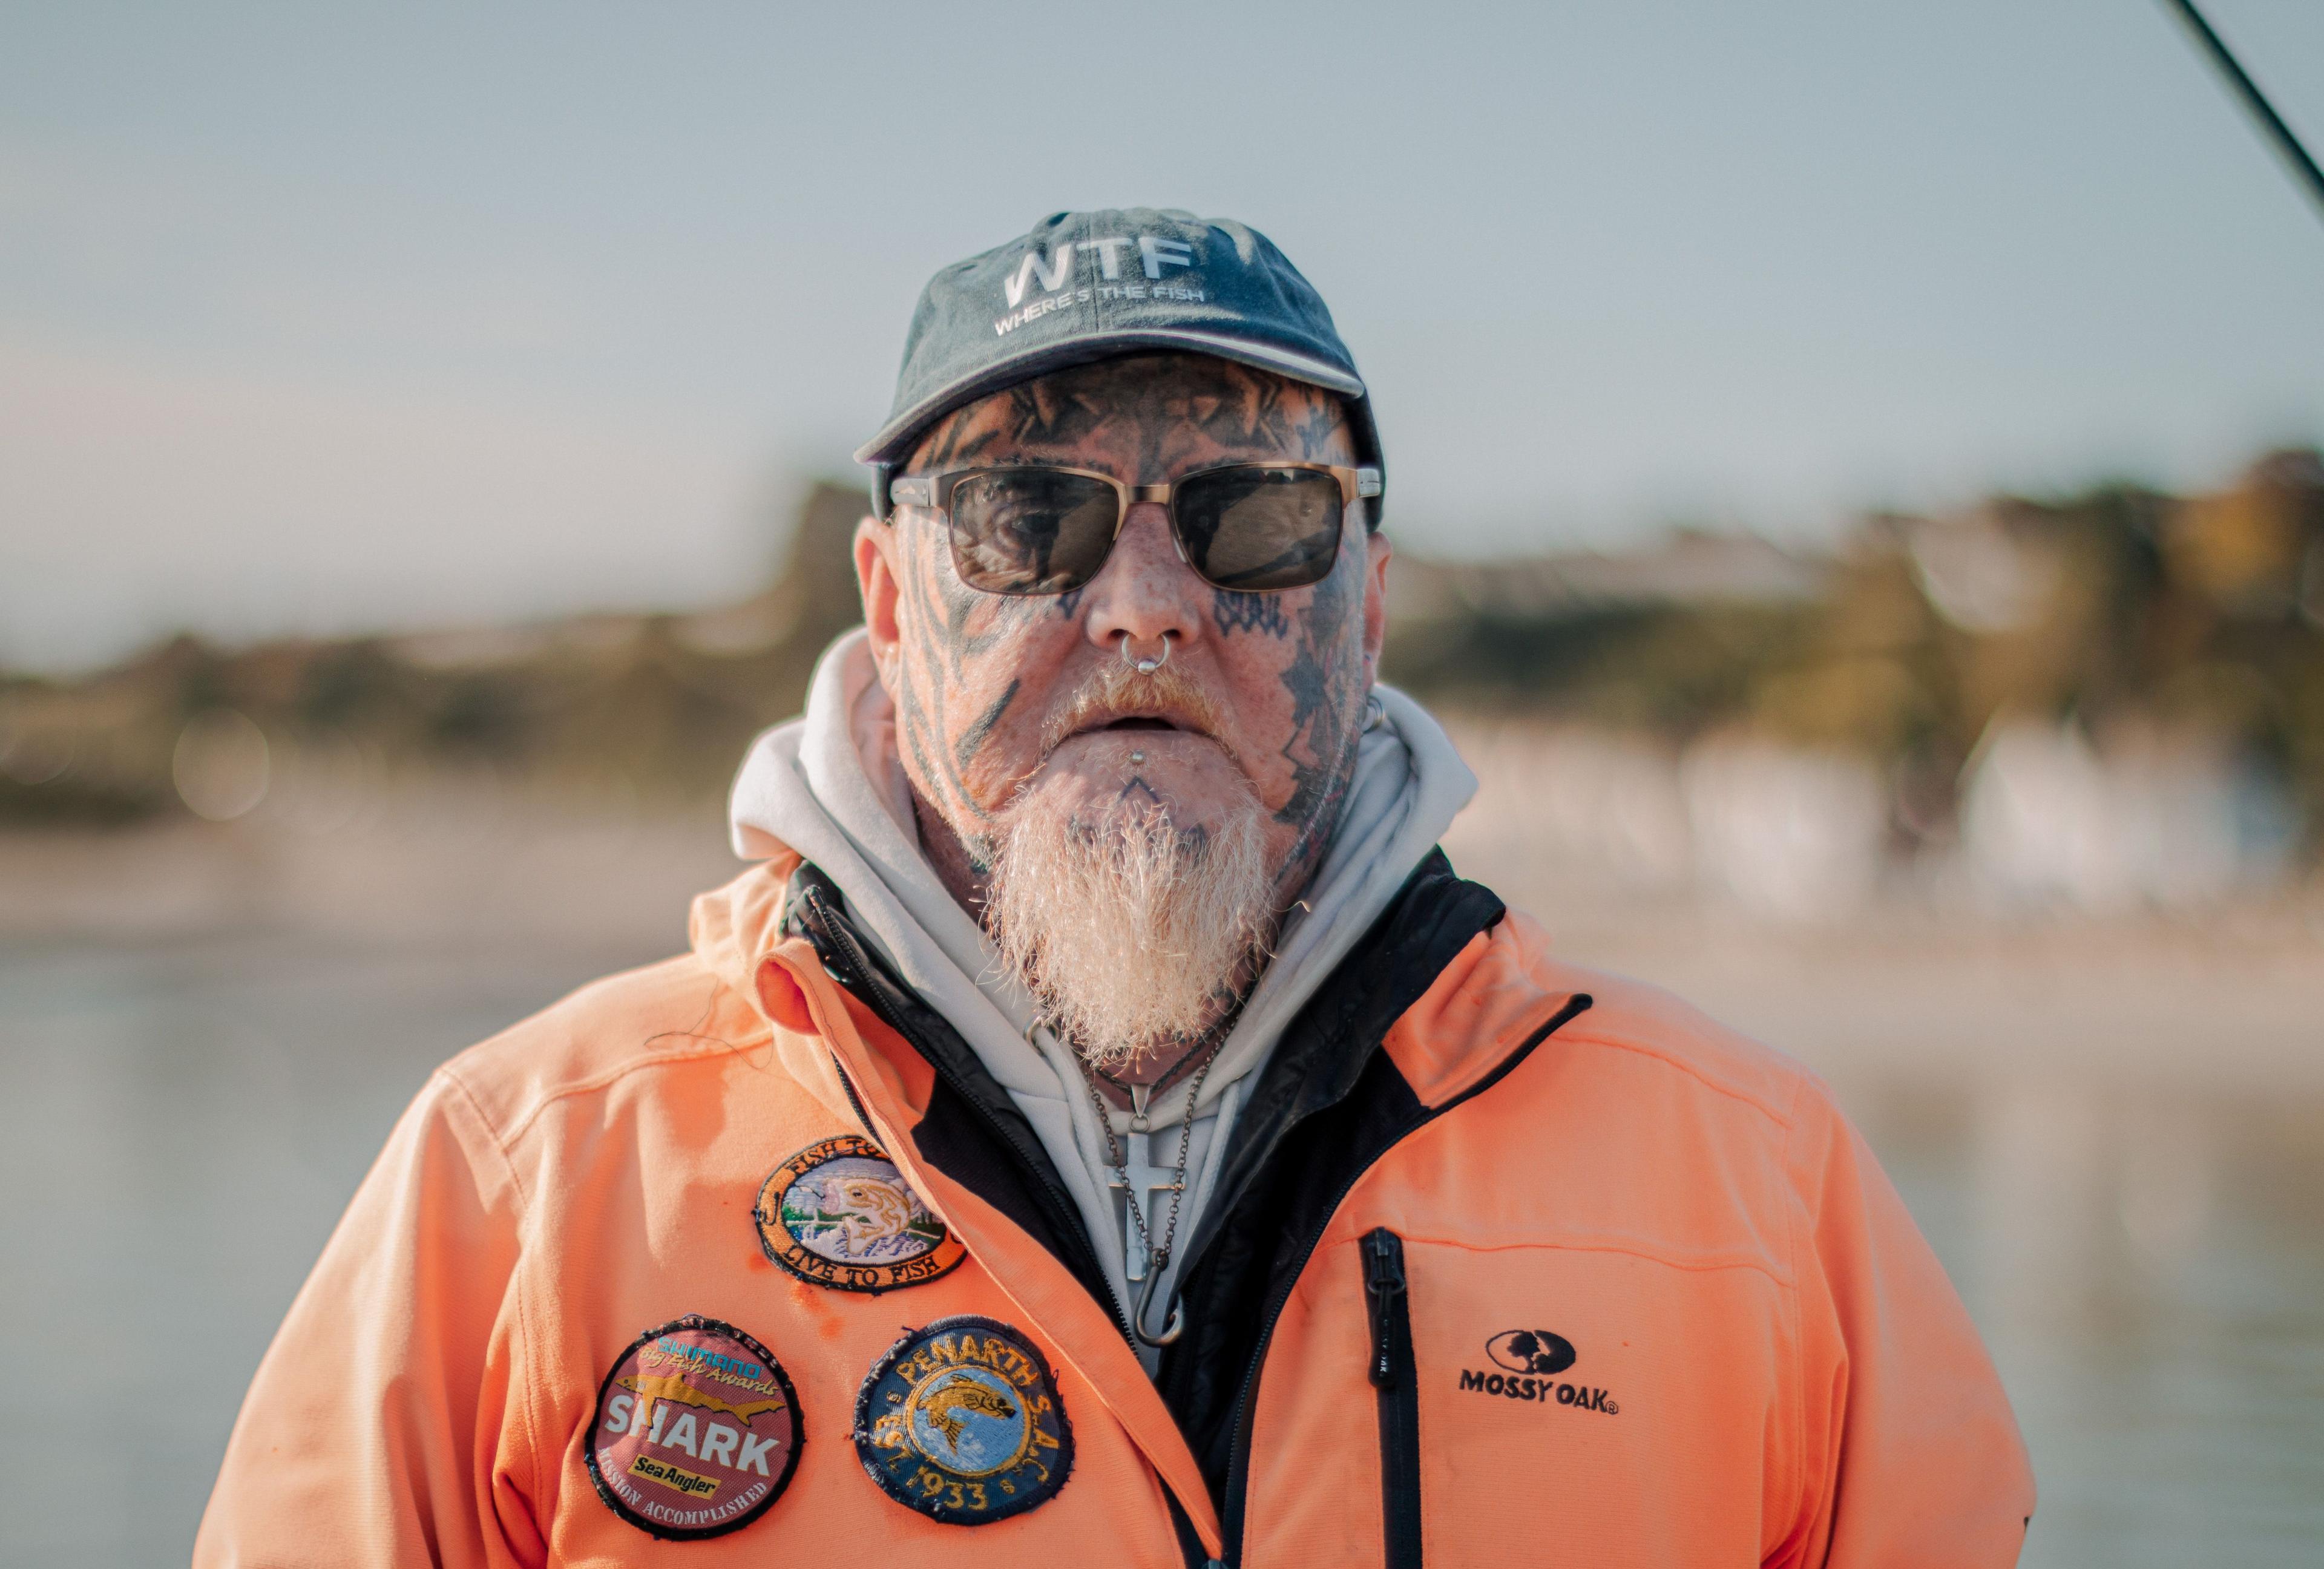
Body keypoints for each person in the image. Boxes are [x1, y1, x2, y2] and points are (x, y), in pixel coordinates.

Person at [197, 207, 2034, 1567]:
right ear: (895, 601)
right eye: (1028, 515)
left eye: (1254, 514)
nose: (1148, 600)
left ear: (1368, 598)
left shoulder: (1758, 1189)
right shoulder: (517, 1183)